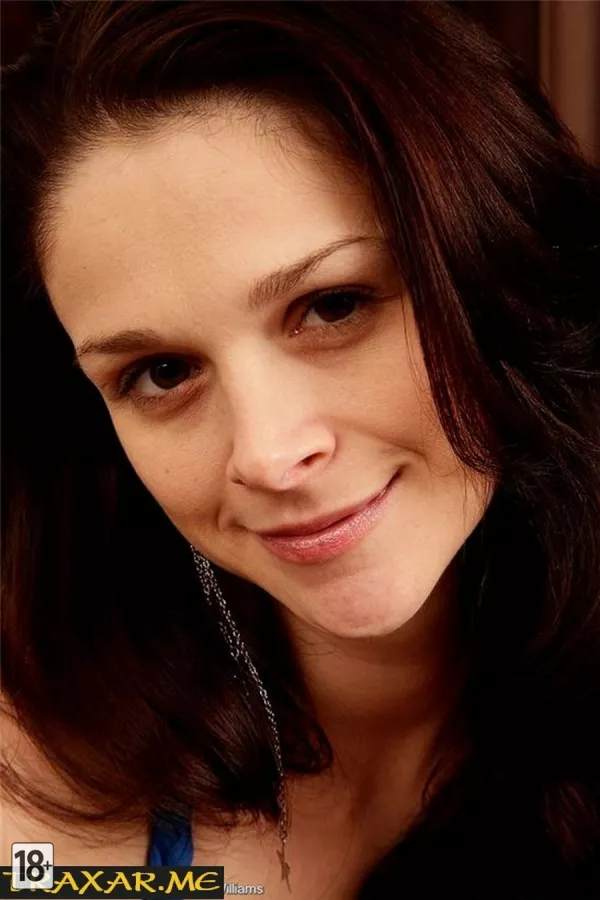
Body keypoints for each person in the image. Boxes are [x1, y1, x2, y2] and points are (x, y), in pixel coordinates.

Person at [1, 1, 599, 896]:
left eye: (333, 306)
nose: (269, 454)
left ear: (499, 274)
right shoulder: (36, 811)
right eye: (162, 373)